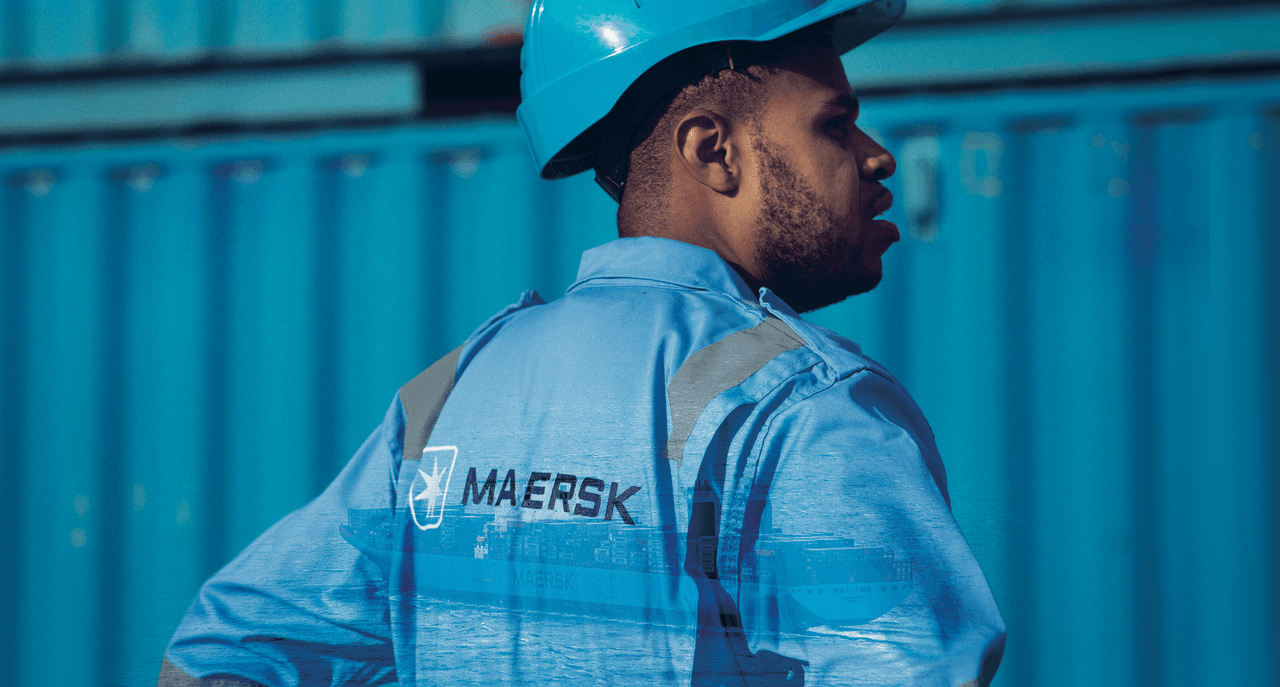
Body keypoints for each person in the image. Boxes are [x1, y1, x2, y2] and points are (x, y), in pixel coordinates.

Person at [160, 0, 1006, 685]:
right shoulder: (807, 408)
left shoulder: (448, 396)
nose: (878, 156)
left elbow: (221, 656)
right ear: (715, 151)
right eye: (836, 123)